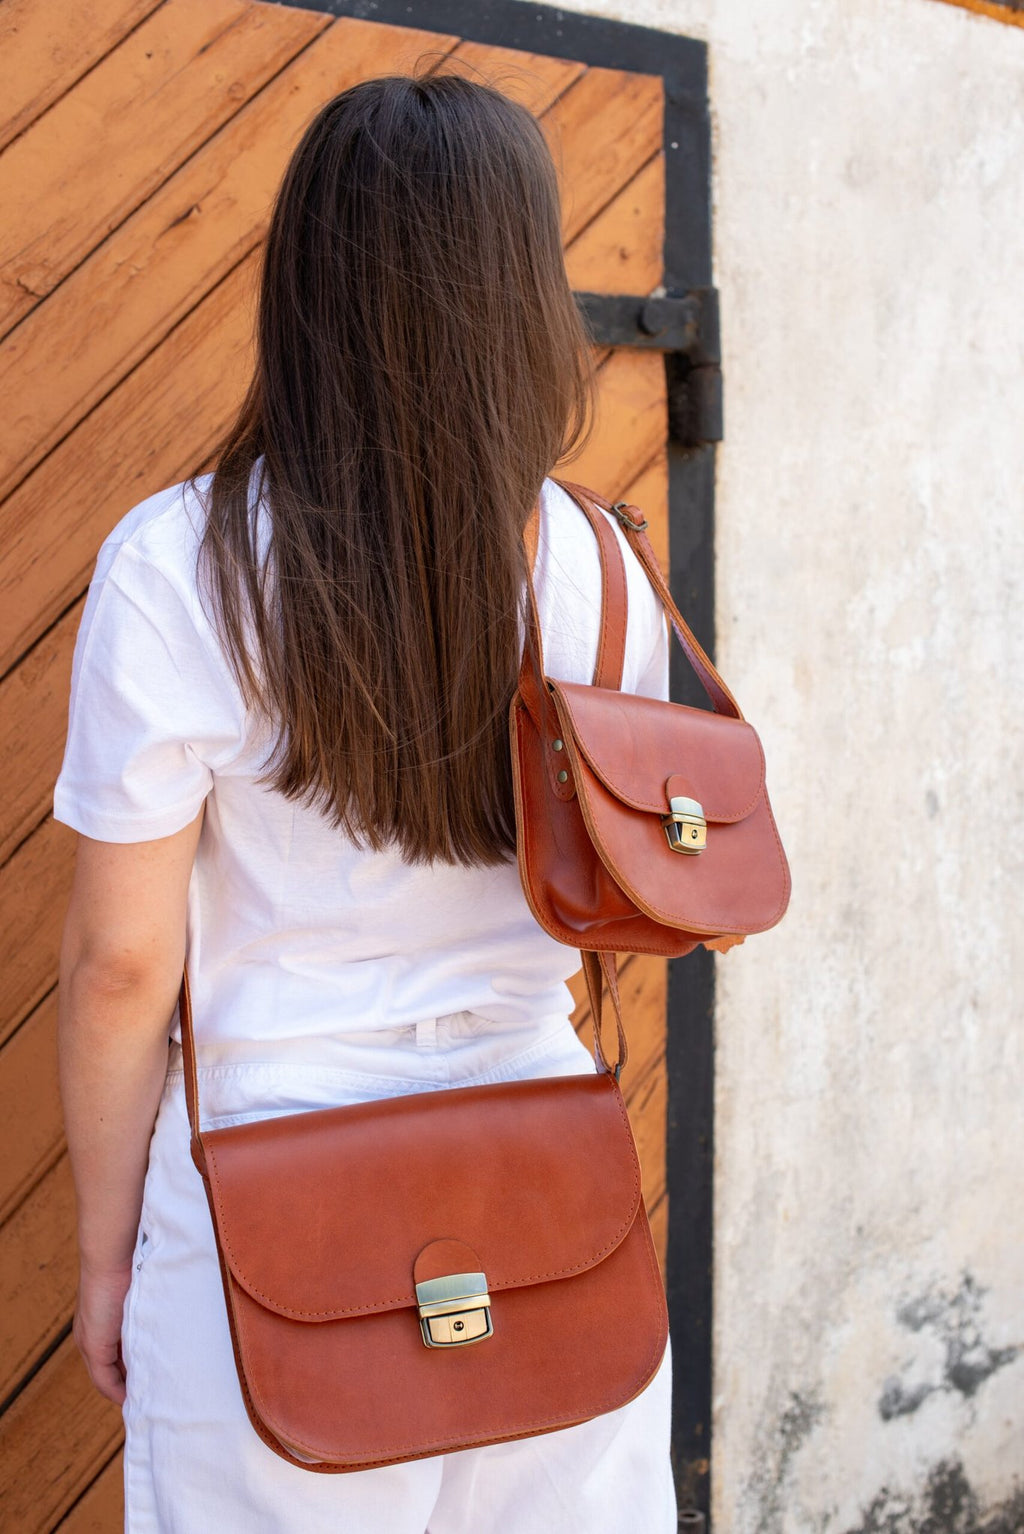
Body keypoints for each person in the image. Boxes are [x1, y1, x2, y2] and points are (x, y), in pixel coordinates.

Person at [54, 71, 676, 1533]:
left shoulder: (179, 563)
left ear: (306, 281)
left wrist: (104, 1260)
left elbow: (125, 966)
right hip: (551, 1199)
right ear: (523, 286)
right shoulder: (601, 561)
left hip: (275, 1240)